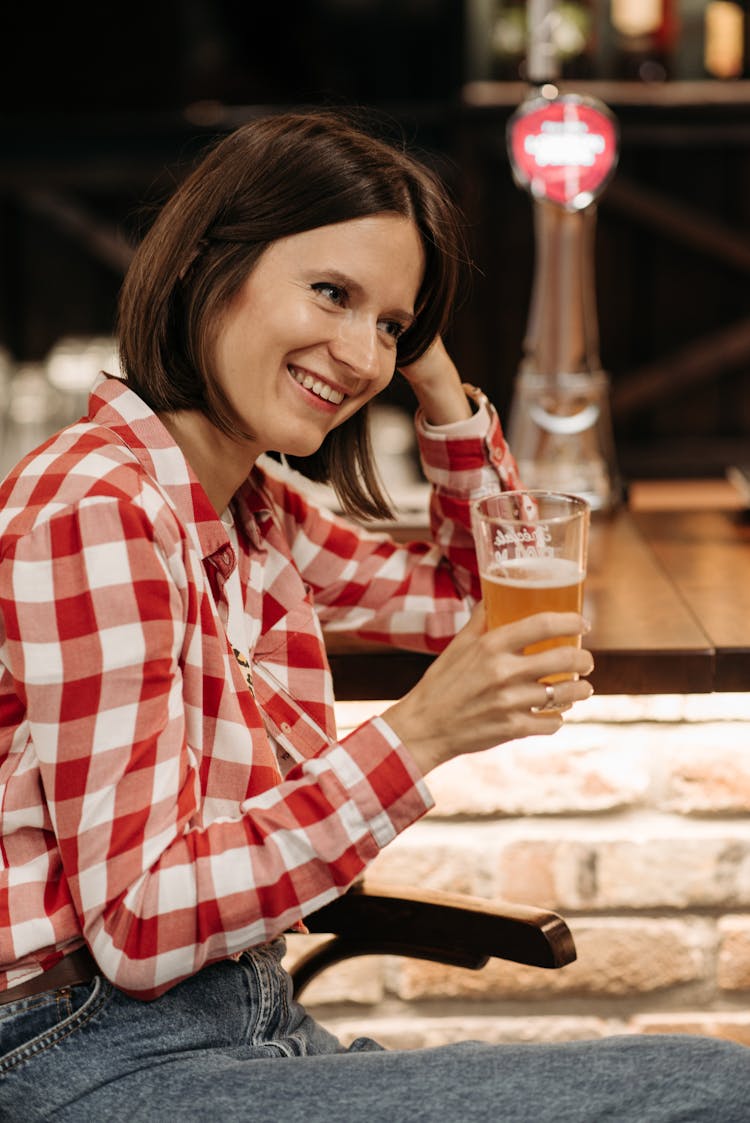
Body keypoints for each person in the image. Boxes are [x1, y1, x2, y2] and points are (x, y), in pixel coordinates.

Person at [0, 109, 747, 1123]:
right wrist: (421, 732)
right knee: (714, 1091)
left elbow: (471, 601)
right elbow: (138, 922)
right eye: (331, 294)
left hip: (236, 1025)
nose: (359, 355)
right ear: (209, 267)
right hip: (86, 1055)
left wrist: (441, 385)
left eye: (391, 324)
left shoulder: (253, 508)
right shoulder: (100, 508)